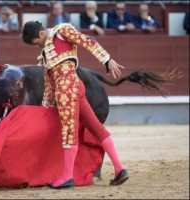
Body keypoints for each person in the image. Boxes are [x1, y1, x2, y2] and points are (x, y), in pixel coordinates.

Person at [22, 21, 129, 189]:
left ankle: (66, 177)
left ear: (41, 34)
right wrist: (44, 107)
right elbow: (49, 84)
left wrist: (107, 59)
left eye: (35, 42)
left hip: (67, 89)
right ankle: (119, 169)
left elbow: (87, 40)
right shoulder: (45, 55)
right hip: (74, 86)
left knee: (68, 132)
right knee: (96, 128)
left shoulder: (61, 31)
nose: (36, 46)